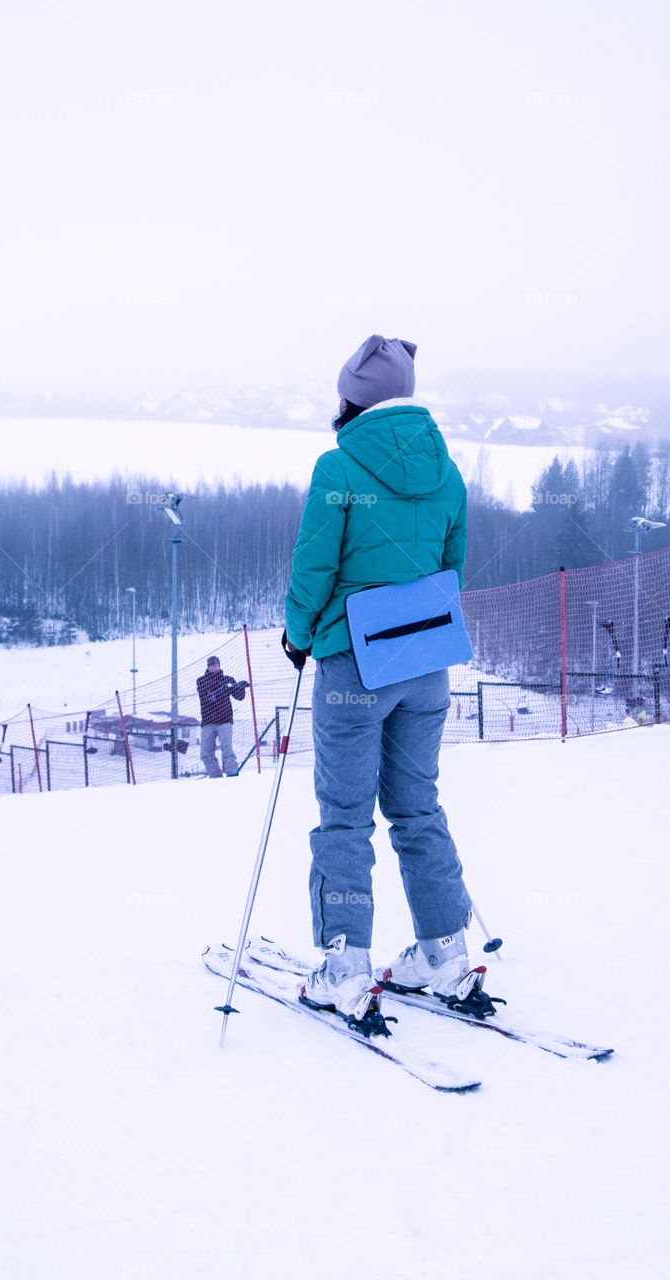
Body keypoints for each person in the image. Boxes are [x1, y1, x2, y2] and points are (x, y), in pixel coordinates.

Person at [282, 334, 490, 1028]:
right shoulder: (448, 470)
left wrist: (300, 635)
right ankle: (444, 953)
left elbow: (314, 568)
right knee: (417, 808)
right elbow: (453, 566)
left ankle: (345, 966)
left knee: (345, 815)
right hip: (426, 665)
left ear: (353, 399)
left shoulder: (337, 467)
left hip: (354, 667)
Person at [197, 656, 248, 777]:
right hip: (208, 721)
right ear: (208, 667)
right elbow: (207, 694)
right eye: (212, 665)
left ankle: (232, 774)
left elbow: (239, 697)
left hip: (225, 720)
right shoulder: (201, 681)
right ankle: (215, 776)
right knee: (206, 752)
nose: (214, 667)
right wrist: (224, 687)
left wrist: (239, 686)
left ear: (219, 666)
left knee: (227, 750)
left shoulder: (228, 679)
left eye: (216, 665)